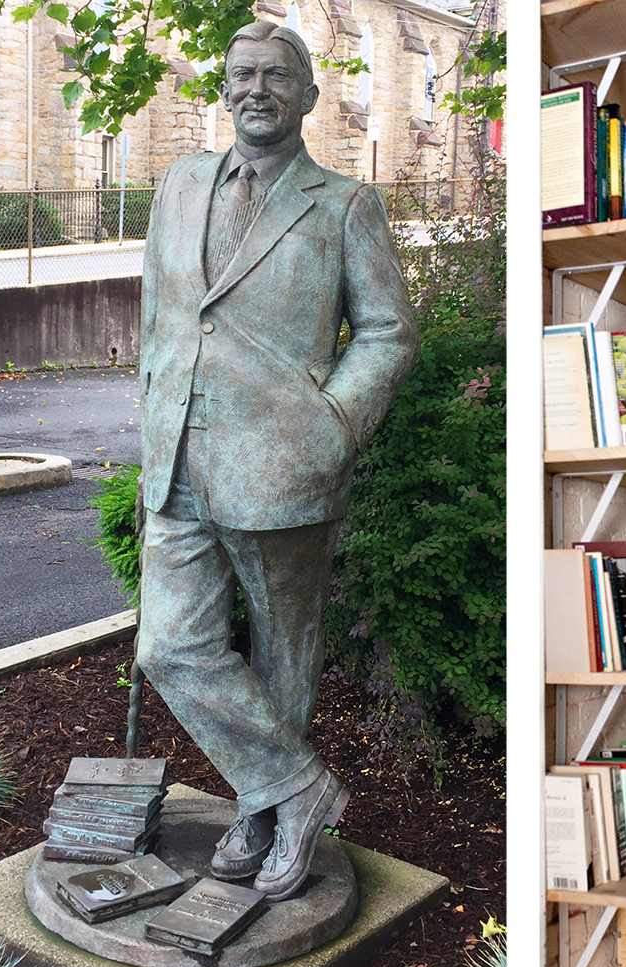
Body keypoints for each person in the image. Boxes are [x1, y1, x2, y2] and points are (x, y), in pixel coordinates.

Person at [134, 20, 418, 902]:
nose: (255, 88)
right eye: (241, 74)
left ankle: (261, 812)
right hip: (178, 456)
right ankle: (297, 788)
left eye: (275, 76)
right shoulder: (179, 185)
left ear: (307, 97)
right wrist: (148, 429)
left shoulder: (342, 204)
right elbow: (160, 317)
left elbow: (387, 331)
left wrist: (335, 423)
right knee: (169, 644)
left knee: (285, 655)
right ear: (223, 90)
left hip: (286, 461)